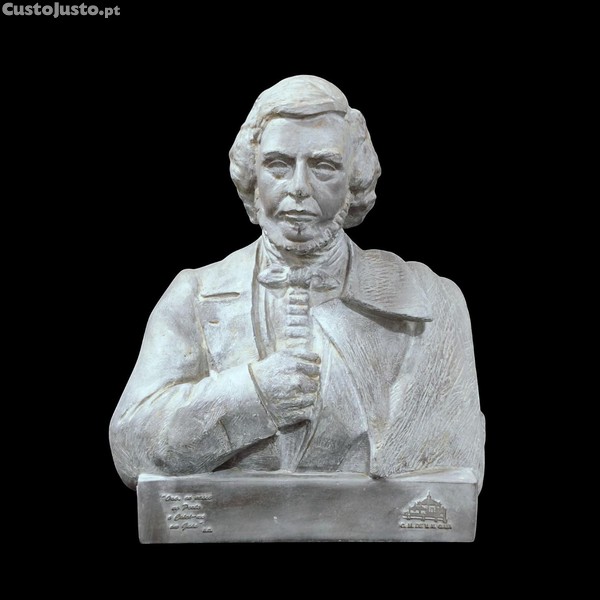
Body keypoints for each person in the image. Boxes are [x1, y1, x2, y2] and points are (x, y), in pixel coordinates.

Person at [110, 75, 485, 491]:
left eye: (324, 166)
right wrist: (254, 395)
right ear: (253, 177)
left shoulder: (428, 303)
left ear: (354, 179)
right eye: (278, 165)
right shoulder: (195, 296)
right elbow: (131, 447)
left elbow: (455, 468)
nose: (299, 188)